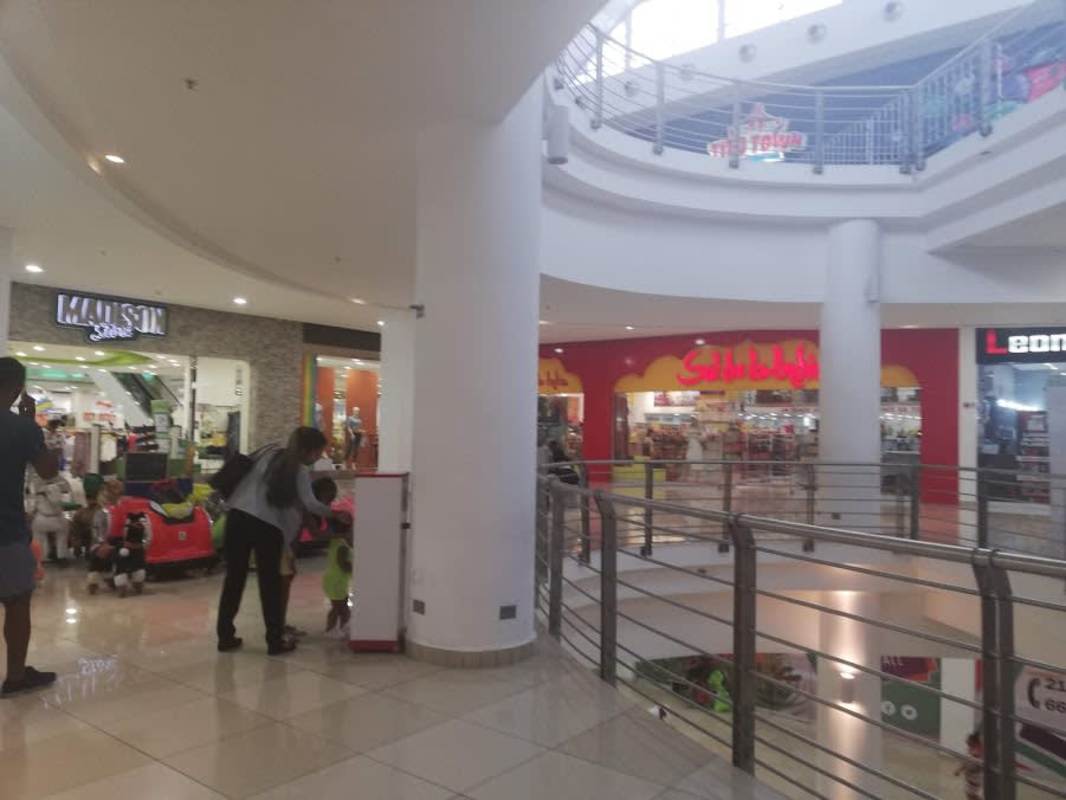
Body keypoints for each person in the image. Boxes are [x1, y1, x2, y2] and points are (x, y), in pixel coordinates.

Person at [216, 427, 339, 655]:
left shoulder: (269, 453)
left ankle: (225, 636)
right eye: (318, 452)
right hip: (267, 526)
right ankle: (275, 641)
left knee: (234, 578)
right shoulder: (299, 470)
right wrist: (335, 514)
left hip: (236, 518)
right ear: (309, 450)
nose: (318, 458)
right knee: (269, 583)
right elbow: (310, 504)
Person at [0, 358, 59, 697]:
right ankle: (16, 676)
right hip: (5, 529)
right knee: (17, 603)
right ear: (18, 388)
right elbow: (48, 471)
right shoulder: (22, 428)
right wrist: (32, 424)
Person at [280, 476, 339, 642]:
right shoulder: (304, 507)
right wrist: (343, 535)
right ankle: (278, 627)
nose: (330, 502)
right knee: (282, 588)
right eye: (328, 497)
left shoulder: (309, 509)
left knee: (284, 586)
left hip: (288, 548)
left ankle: (279, 624)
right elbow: (316, 534)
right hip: (283, 547)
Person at [323, 514, 353, 637]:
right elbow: (343, 564)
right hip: (337, 581)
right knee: (341, 608)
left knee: (339, 606)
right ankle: (335, 629)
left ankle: (338, 628)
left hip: (334, 580)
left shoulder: (335, 541)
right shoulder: (342, 546)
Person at [955, 731, 982, 800]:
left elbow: (972, 764)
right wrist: (959, 770)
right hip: (970, 778)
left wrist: (960, 769)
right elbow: (966, 762)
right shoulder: (971, 749)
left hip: (975, 778)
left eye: (969, 742)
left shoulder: (977, 752)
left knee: (971, 795)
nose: (967, 743)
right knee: (970, 795)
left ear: (974, 741)